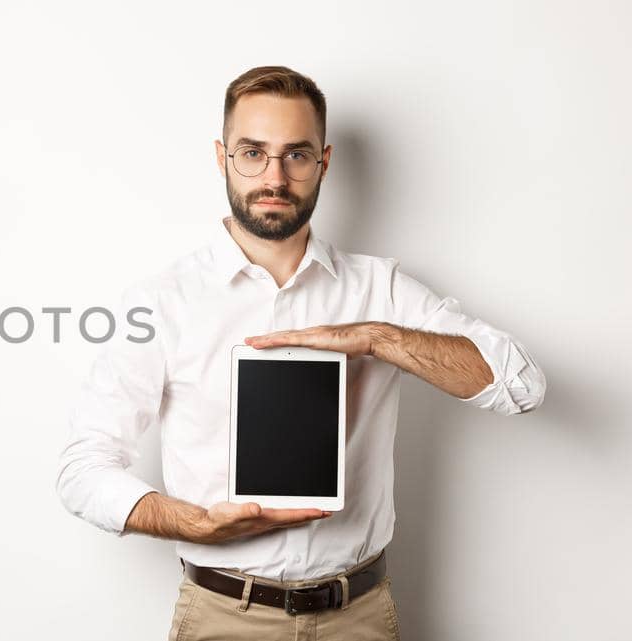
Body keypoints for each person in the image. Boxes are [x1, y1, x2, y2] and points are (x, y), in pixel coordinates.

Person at [53, 66, 546, 640]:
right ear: (221, 158)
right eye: (252, 152)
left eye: (297, 155)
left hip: (358, 616)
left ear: (324, 162)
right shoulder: (164, 302)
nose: (275, 176)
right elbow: (82, 469)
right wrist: (198, 524)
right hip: (222, 616)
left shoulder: (380, 290)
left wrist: (377, 338)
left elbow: (522, 387)